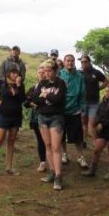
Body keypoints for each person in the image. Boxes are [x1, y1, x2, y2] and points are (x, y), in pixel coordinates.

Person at [29, 59, 67, 190]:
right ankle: (52, 171)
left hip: (56, 118)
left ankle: (58, 176)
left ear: (56, 71)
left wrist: (45, 95)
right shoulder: (42, 83)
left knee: (56, 147)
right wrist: (46, 97)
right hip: (42, 117)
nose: (46, 73)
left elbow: (58, 99)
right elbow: (34, 99)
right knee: (48, 145)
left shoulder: (60, 83)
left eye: (49, 71)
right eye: (45, 71)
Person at [85, 84, 109, 178]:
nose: (107, 93)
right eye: (106, 91)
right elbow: (98, 114)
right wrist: (97, 122)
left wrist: (103, 124)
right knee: (96, 150)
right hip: (103, 131)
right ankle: (92, 169)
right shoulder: (103, 102)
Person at [59, 54, 88, 168]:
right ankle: (64, 154)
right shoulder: (59, 74)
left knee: (78, 136)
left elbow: (83, 93)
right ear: (64, 62)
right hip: (61, 110)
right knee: (61, 134)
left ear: (74, 62)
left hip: (75, 110)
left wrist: (81, 108)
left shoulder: (79, 76)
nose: (70, 63)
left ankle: (80, 156)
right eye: (67, 61)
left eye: (72, 61)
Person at [80, 54, 107, 145]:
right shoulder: (79, 73)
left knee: (92, 123)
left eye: (85, 61)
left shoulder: (96, 72)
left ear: (89, 62)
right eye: (82, 62)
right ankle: (83, 140)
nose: (84, 63)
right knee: (83, 122)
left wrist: (99, 88)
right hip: (83, 102)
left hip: (94, 102)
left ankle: (95, 142)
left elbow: (106, 81)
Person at [26, 67, 47, 172]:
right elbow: (25, 102)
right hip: (35, 118)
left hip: (48, 117)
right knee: (40, 140)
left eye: (44, 72)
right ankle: (42, 162)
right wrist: (32, 103)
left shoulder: (50, 86)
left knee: (49, 140)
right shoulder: (33, 88)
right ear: (37, 75)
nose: (42, 74)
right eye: (40, 72)